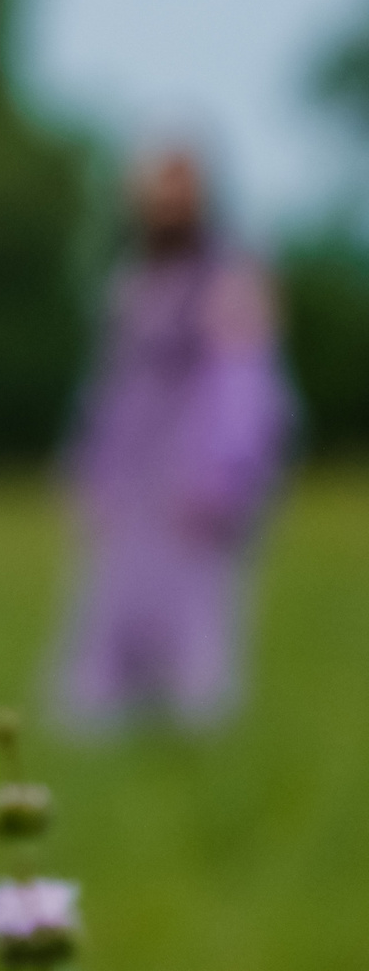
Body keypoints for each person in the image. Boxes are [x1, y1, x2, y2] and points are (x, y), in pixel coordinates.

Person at [59, 147, 291, 729]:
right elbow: (109, 389)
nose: (163, 205)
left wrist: (225, 470)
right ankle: (106, 732)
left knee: (196, 616)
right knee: (113, 611)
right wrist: (92, 468)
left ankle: (196, 735)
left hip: (196, 471)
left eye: (176, 191)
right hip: (134, 474)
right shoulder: (129, 280)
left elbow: (246, 383)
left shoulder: (231, 277)